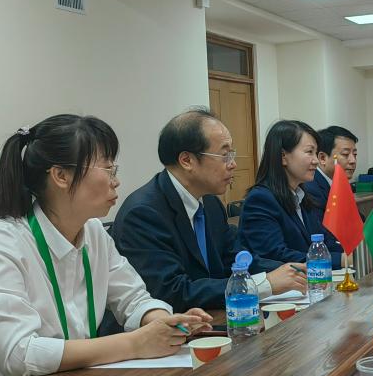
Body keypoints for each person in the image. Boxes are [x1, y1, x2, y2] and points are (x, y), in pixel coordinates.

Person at [0, 115, 211, 376]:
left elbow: (133, 299)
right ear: (61, 176)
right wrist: (135, 343)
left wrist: (165, 324)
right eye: (108, 168)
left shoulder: (93, 232)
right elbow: (19, 355)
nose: (116, 181)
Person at [111, 108, 306, 313]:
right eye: (224, 155)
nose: (233, 164)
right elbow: (172, 292)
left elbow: (234, 258)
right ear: (187, 161)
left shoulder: (211, 203)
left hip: (213, 318)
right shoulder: (143, 213)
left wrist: (293, 270)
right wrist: (264, 284)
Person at [238, 120, 344, 264]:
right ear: (283, 156)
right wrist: (341, 260)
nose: (316, 161)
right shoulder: (260, 200)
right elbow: (277, 255)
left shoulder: (302, 196)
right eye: (309, 152)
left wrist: (352, 254)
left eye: (316, 153)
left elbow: (324, 242)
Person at [303, 125, 359, 210]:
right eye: (345, 154)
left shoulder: (342, 183)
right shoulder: (311, 189)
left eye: (355, 154)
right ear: (322, 158)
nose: (353, 161)